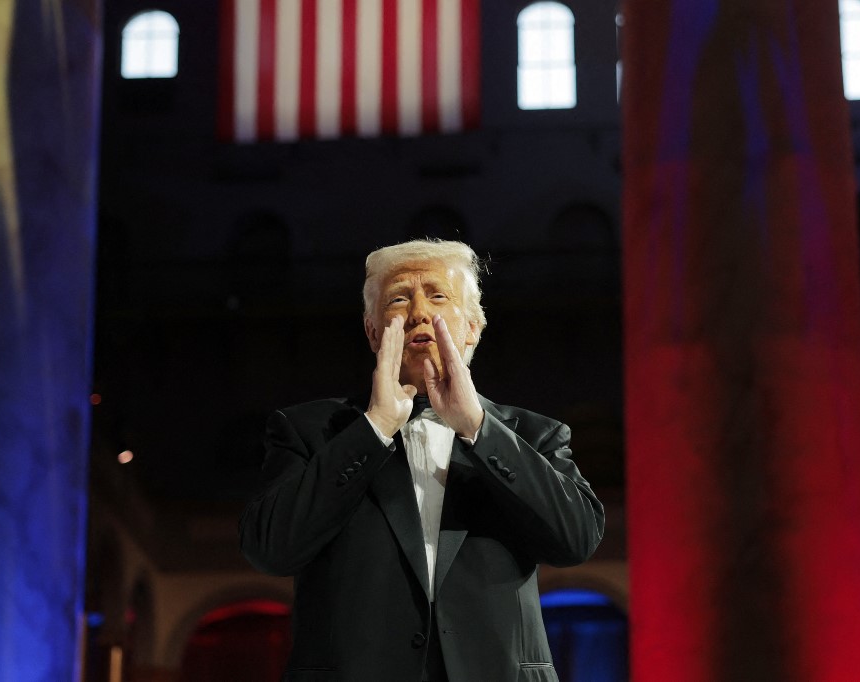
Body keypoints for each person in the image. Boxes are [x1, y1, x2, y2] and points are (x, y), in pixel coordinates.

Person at [239, 239, 605, 682]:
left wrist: (477, 428)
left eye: (437, 295)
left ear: (472, 326)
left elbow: (576, 540)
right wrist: (373, 429)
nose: (417, 312)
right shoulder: (310, 431)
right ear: (373, 331)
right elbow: (271, 551)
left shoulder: (534, 435)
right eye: (398, 298)